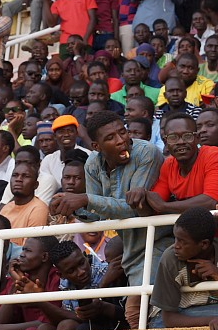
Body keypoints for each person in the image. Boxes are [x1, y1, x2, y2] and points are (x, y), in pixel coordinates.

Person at [48, 110, 171, 328]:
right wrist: (72, 208)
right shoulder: (93, 164)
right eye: (110, 138)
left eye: (122, 132)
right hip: (131, 251)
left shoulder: (146, 153)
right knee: (137, 316)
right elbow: (96, 214)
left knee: (145, 314)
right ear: (96, 146)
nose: (122, 140)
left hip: (159, 242)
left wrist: (85, 198)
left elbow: (134, 207)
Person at [150, 207, 218, 329]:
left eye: (182, 241)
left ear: (204, 244)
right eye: (175, 238)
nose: (176, 246)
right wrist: (210, 320)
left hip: (212, 312)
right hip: (167, 319)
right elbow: (168, 319)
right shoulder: (170, 258)